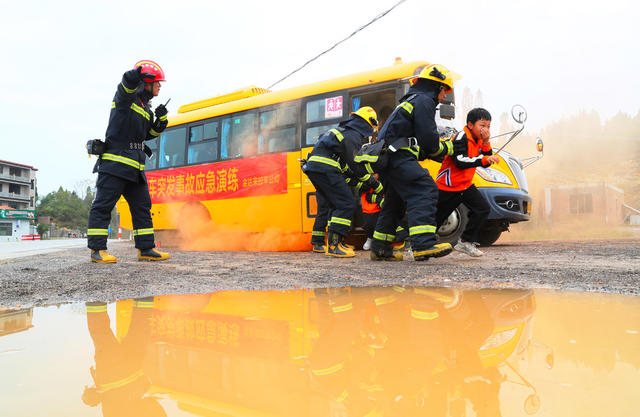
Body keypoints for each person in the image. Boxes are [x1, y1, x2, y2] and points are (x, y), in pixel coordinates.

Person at [369, 64, 457, 261]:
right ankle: (423, 244)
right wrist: (449, 149)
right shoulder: (424, 101)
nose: (444, 97)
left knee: (395, 202)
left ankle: (380, 248)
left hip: (387, 159)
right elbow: (429, 141)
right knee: (424, 189)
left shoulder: (410, 101)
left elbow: (415, 142)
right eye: (444, 91)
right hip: (397, 157)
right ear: (436, 87)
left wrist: (431, 150)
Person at [87, 60, 171, 263]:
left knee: (142, 209)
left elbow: (147, 134)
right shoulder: (126, 99)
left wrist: (160, 121)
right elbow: (126, 85)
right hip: (115, 166)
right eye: (158, 82)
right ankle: (97, 251)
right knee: (103, 207)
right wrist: (133, 75)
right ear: (146, 82)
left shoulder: (145, 107)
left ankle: (146, 249)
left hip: (135, 169)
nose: (160, 86)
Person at [304, 107, 383, 257]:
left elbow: (346, 169)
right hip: (325, 167)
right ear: (367, 124)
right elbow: (355, 166)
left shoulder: (344, 132)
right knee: (346, 202)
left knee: (332, 204)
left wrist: (361, 182)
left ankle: (334, 242)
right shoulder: (353, 135)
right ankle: (334, 246)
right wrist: (374, 183)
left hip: (316, 168)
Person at [435, 108, 498, 257]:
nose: (485, 129)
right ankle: (417, 245)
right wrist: (484, 159)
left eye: (488, 126)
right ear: (470, 125)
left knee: (482, 209)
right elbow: (460, 161)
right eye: (482, 125)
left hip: (465, 184)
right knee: (437, 217)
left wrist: (487, 144)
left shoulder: (479, 140)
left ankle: (465, 242)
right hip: (448, 185)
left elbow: (485, 161)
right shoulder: (461, 137)